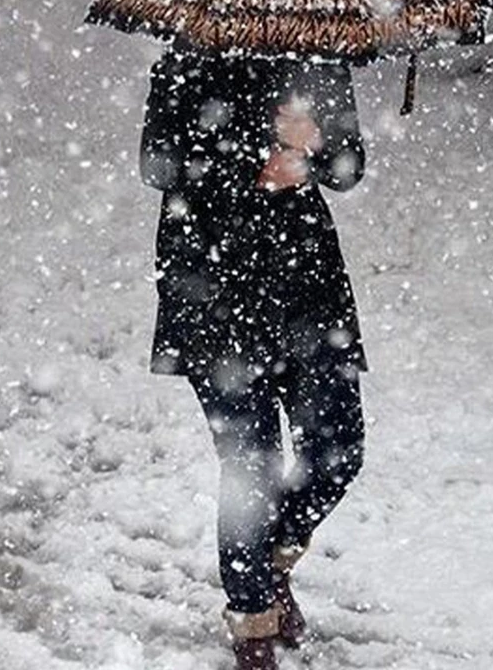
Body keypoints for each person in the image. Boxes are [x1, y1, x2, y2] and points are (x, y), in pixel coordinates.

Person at [139, 40, 368, 670]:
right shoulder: (188, 57)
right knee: (252, 469)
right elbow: (159, 165)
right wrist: (255, 156)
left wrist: (313, 146)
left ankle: (270, 564)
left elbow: (349, 167)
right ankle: (252, 627)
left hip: (306, 290)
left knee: (338, 449)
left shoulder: (319, 56)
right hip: (214, 290)